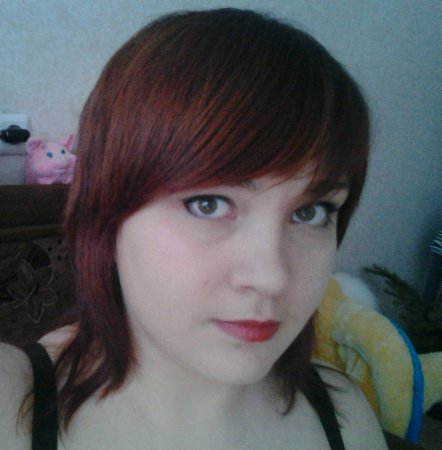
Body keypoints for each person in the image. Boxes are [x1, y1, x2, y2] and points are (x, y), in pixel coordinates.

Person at [0, 8, 387, 449]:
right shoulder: (13, 404)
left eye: (312, 212)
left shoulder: (345, 415)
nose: (271, 278)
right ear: (106, 217)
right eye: (208, 204)